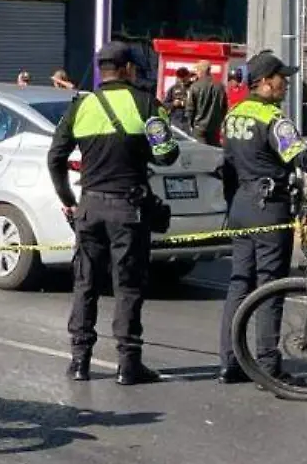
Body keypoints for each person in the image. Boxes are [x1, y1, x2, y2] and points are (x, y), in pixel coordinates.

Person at [46, 41, 180, 386]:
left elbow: (55, 157)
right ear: (127, 69)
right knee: (128, 286)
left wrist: (68, 199)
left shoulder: (81, 106)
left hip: (89, 207)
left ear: (102, 71)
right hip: (128, 210)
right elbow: (167, 155)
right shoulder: (146, 103)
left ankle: (79, 361)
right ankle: (128, 363)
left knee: (85, 283)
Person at [217, 50, 307, 387]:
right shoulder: (274, 119)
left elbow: (227, 166)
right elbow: (306, 161)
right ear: (263, 82)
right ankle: (268, 367)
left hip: (242, 205)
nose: (286, 83)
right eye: (281, 78)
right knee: (270, 287)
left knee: (239, 284)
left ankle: (230, 362)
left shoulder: (235, 114)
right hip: (269, 207)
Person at [186, 59, 228, 147]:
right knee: (213, 154)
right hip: (214, 128)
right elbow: (224, 108)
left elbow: (190, 109)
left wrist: (190, 125)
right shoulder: (220, 86)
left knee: (200, 154)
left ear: (201, 71)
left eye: (197, 70)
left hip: (199, 128)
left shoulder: (195, 86)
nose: (196, 73)